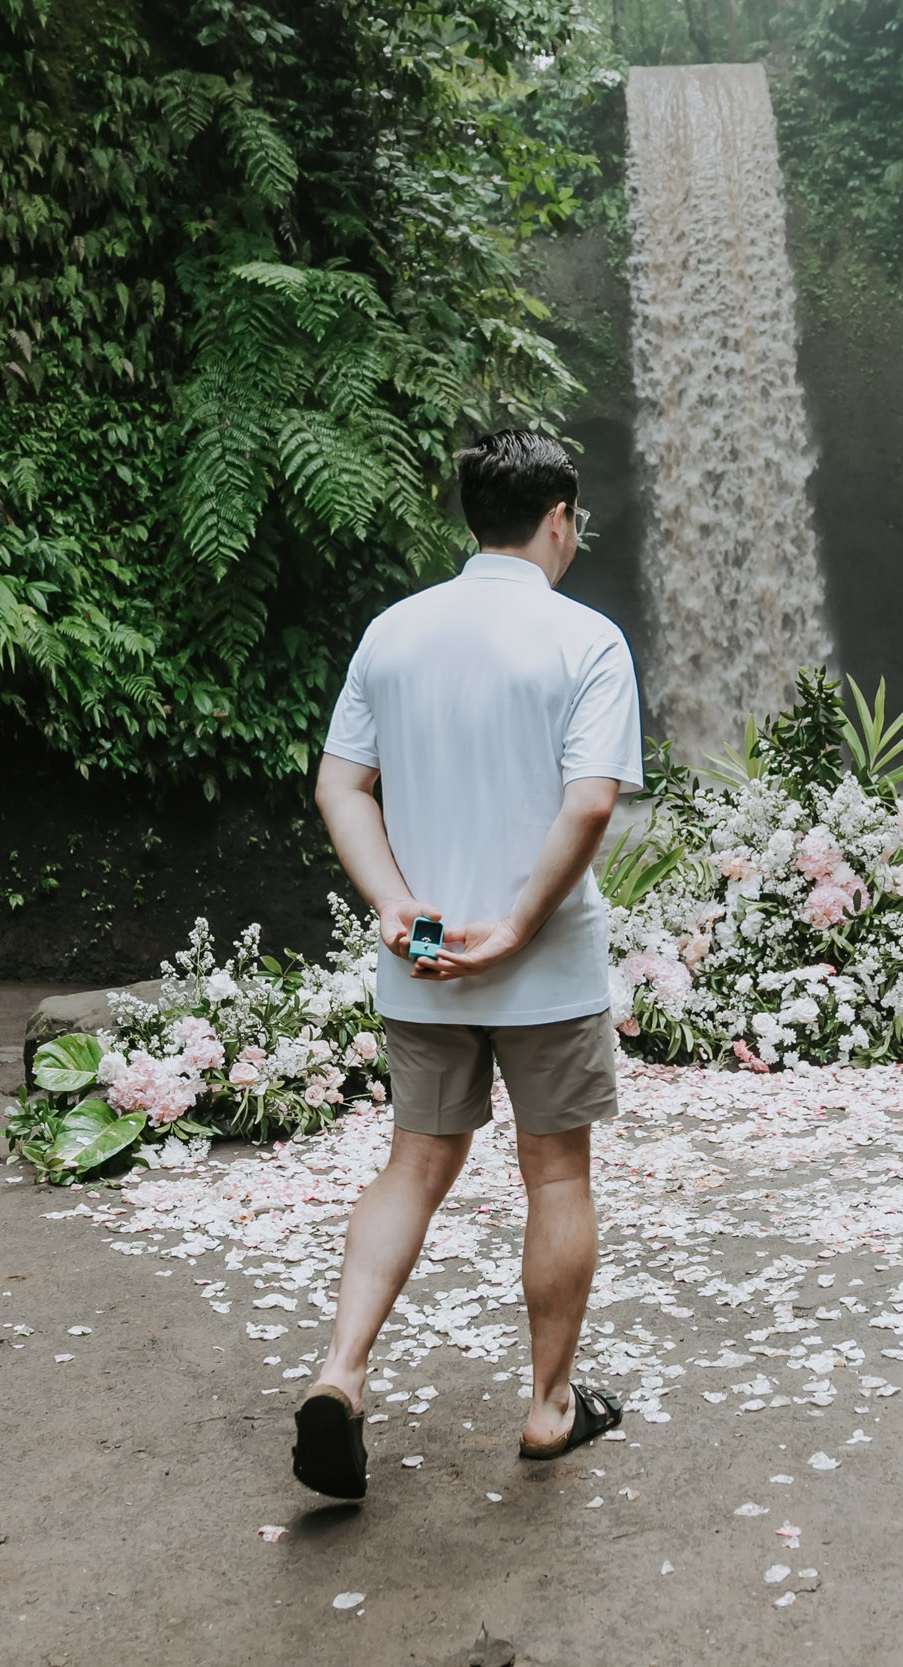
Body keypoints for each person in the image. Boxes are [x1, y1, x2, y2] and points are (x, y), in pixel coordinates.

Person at [293, 429, 642, 1500]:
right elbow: (589, 799)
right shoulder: (585, 638)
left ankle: (340, 1371)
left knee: (414, 1163)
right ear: (558, 518)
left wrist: (401, 908)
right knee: (556, 1168)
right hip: (545, 965)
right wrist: (522, 926)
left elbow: (339, 787)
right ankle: (548, 1407)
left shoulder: (393, 632)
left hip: (427, 960)